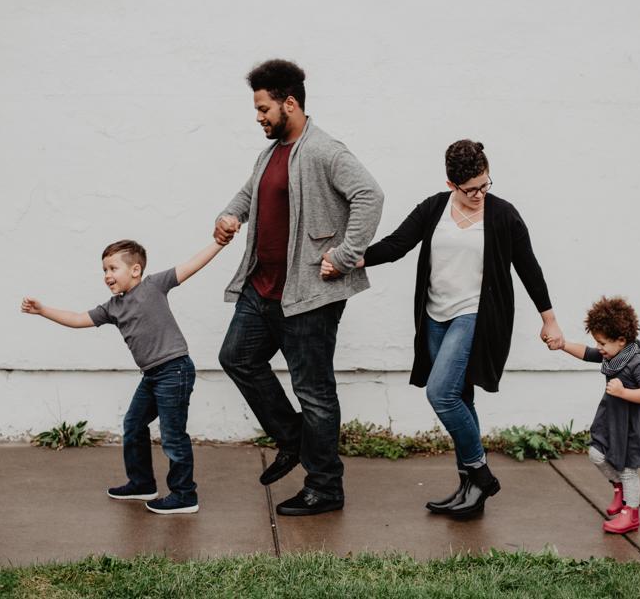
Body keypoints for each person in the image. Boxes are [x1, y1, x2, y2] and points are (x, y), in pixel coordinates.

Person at [322, 139, 564, 517]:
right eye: (471, 190)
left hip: (475, 316)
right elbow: (397, 244)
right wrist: (350, 260)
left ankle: (481, 475)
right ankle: (470, 490)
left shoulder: (503, 215)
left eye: (486, 185)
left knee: (441, 394)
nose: (480, 194)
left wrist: (548, 318)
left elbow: (528, 267)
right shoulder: (435, 208)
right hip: (435, 317)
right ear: (452, 185)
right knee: (460, 398)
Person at [215, 59, 384, 516]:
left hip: (308, 295)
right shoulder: (270, 153)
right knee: (236, 358)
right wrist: (230, 216)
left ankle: (325, 487)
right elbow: (250, 194)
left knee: (314, 391)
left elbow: (371, 195)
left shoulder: (325, 150)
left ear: (290, 103)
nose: (258, 116)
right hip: (262, 288)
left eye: (264, 107)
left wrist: (345, 255)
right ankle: (293, 440)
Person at [21, 239, 224, 514]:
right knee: (134, 424)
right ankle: (142, 483)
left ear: (135, 270)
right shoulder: (113, 307)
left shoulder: (154, 285)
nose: (107, 276)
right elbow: (78, 318)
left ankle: (185, 495)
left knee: (173, 435)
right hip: (152, 375)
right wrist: (43, 310)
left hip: (174, 370)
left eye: (113, 269)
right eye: (104, 270)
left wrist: (219, 243)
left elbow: (191, 266)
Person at [553, 295, 640, 534]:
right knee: (595, 453)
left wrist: (624, 392)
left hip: (631, 425)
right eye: (598, 342)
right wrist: (563, 345)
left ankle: (631, 513)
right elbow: (586, 352)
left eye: (602, 343)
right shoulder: (612, 356)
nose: (599, 348)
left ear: (621, 340)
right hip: (612, 419)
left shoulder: (637, 363)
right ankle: (619, 488)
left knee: (627, 469)